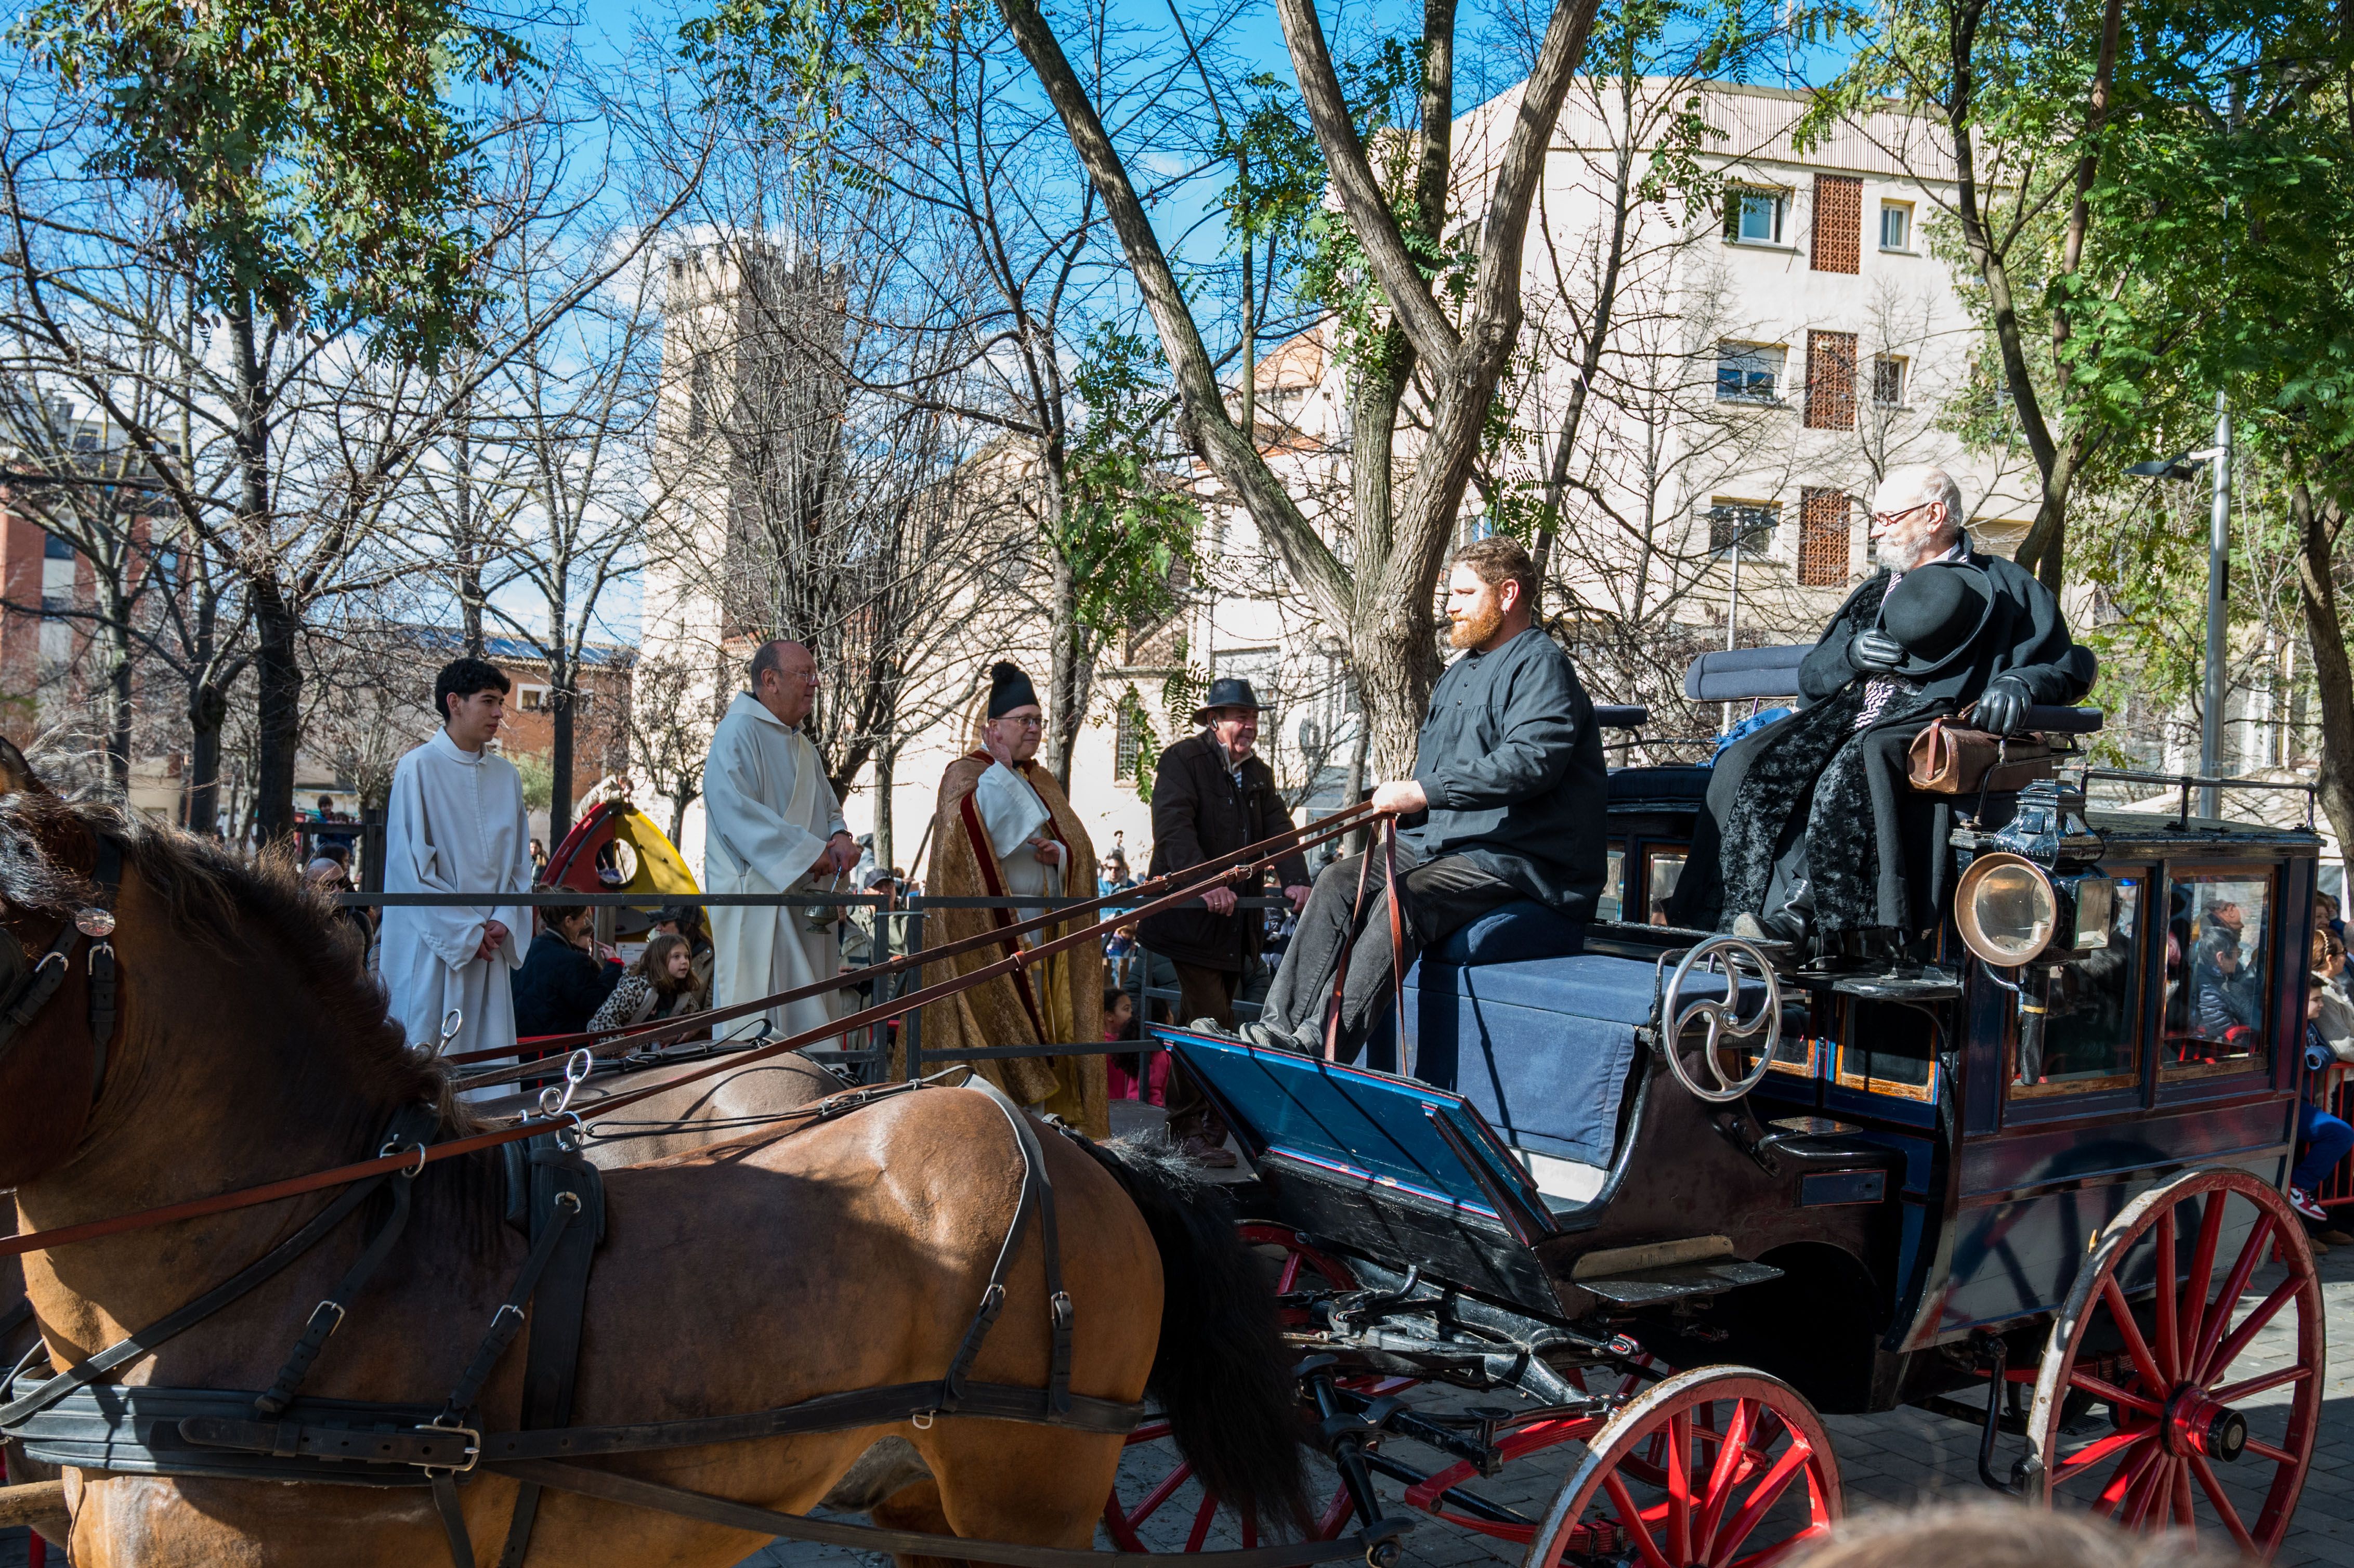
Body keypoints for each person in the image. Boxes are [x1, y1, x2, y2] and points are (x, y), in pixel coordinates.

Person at [1666, 466, 2097, 959]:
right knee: (1743, 762)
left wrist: (2019, 682)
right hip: (1844, 715)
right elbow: (1812, 677)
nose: (1875, 530)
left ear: (1935, 516)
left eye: (1887, 517)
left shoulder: (2006, 587)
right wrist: (1848, 654)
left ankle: (1807, 921)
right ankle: (1716, 913)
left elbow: (2066, 667)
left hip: (1936, 721)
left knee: (1860, 760)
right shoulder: (1875, 593)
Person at [1231, 537, 1609, 1062]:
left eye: (1463, 592)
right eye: (1449, 593)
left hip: (1517, 858)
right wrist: (1404, 804)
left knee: (1403, 898)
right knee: (1339, 881)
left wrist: (1420, 791)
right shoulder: (1458, 672)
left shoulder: (1541, 665)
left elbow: (1531, 763)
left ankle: (1324, 1044)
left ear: (1508, 593)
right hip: (1443, 844)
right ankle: (1277, 1032)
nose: (1449, 605)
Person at [916, 660, 1109, 1135]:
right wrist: (997, 787)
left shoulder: (1042, 780)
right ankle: (995, 1114)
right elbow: (957, 844)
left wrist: (1060, 854)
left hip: (1045, 929)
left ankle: (1049, 1119)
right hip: (992, 932)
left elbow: (1080, 848)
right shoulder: (965, 775)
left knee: (1045, 1016)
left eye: (1039, 721)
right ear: (993, 729)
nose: (1035, 730)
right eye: (1024, 721)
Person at [1136, 677, 1312, 1165]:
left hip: (1236, 927)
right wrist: (1203, 883)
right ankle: (1186, 1126)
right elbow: (1173, 827)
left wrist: (1297, 880)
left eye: (1253, 717)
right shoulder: (1181, 761)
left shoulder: (1258, 774)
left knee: (1221, 1019)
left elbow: (1280, 830)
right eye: (1240, 717)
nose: (1250, 726)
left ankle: (1210, 1116)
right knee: (1206, 1019)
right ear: (1214, 722)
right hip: (1192, 919)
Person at [700, 639, 860, 1046]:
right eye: (804, 674)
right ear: (769, 680)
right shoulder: (736, 735)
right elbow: (740, 815)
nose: (815, 684)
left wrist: (839, 836)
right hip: (758, 905)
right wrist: (813, 855)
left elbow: (829, 807)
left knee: (812, 1020)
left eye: (814, 674)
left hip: (803, 905)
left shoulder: (803, 745)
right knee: (765, 1027)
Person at [380, 658, 533, 1069]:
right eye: (488, 701)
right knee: (430, 1067)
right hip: (433, 948)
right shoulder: (417, 769)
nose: (500, 712)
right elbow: (409, 871)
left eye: (501, 702)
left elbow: (521, 864)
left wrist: (506, 916)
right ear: (455, 703)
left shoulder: (507, 776)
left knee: (488, 1071)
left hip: (492, 948)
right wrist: (467, 931)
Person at [513, 904, 624, 1037]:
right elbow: (598, 1003)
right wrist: (613, 965)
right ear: (569, 921)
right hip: (558, 1048)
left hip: (524, 1044)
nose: (584, 925)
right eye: (583, 919)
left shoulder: (528, 947)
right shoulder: (573, 961)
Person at [587, 932, 706, 1036]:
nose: (684, 961)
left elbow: (695, 1018)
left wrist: (677, 1035)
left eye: (686, 956)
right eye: (676, 957)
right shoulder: (636, 989)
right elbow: (602, 1021)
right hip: (616, 1058)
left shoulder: (682, 992)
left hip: (651, 1056)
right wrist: (622, 1053)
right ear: (659, 960)